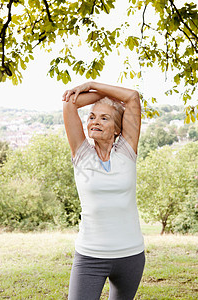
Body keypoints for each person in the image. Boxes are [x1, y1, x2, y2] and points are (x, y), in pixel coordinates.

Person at [62, 81, 145, 300]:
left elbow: (132, 97)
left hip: (131, 256)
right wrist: (101, 96)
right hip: (90, 257)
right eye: (91, 117)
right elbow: (70, 103)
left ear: (118, 129)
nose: (95, 122)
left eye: (104, 118)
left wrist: (91, 85)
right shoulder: (81, 154)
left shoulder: (127, 151)